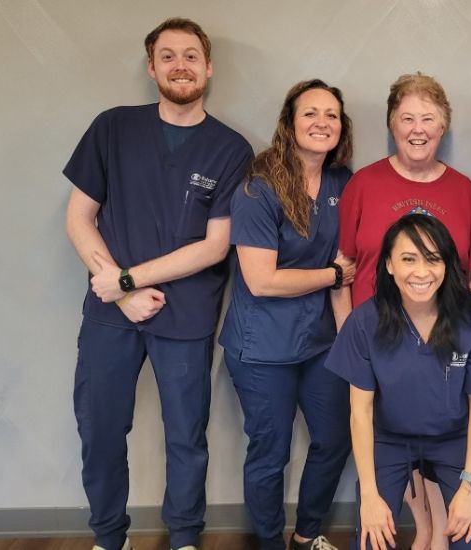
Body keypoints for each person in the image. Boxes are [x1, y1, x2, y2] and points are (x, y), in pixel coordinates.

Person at [63, 18, 253, 550]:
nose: (180, 65)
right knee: (100, 429)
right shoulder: (112, 128)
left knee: (186, 437)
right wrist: (123, 293)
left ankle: (185, 537)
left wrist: (127, 279)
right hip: (110, 314)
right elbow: (79, 218)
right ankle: (109, 538)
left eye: (191, 55)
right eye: (167, 56)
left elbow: (215, 247)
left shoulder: (231, 149)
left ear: (208, 67)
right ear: (151, 68)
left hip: (186, 316)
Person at [338, 72, 471, 549]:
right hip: (377, 347)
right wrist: (349, 341)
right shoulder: (363, 184)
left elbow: (469, 276)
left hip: (443, 347)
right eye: (406, 118)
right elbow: (344, 269)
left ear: (444, 126)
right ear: (391, 124)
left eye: (429, 118)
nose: (418, 129)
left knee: (439, 440)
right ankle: (422, 530)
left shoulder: (463, 190)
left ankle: (433, 535)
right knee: (388, 446)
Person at [218, 79, 355, 550]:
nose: (322, 122)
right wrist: (332, 275)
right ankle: (269, 542)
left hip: (321, 343)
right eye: (310, 113)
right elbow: (261, 280)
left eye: (331, 115)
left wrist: (350, 341)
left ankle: (307, 534)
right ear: (289, 123)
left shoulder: (342, 183)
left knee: (335, 439)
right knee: (270, 453)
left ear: (342, 126)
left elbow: (350, 254)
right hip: (262, 347)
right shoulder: (259, 188)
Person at [326, 214, 471, 550]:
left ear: (446, 265)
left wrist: (469, 487)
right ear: (389, 264)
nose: (422, 272)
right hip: (389, 439)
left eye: (432, 259)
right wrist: (369, 496)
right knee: (372, 539)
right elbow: (360, 412)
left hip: (453, 438)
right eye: (409, 259)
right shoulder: (365, 322)